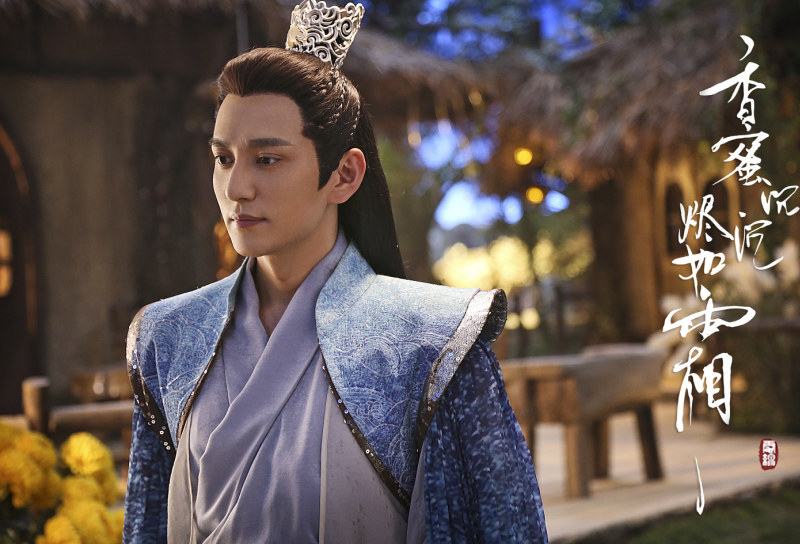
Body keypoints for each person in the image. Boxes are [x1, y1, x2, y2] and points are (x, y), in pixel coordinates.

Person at [123, 1, 549, 542]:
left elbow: (507, 528)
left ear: (344, 174)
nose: (236, 189)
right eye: (223, 158)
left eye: (267, 159)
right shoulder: (168, 338)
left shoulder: (434, 342)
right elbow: (147, 528)